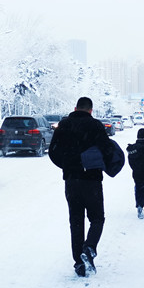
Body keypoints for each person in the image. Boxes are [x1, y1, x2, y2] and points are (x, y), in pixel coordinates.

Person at [49, 96, 114, 278]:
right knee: (97, 218)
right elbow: (107, 150)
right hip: (92, 180)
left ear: (75, 108)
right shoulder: (96, 126)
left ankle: (79, 262)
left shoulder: (64, 125)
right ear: (90, 110)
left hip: (71, 180)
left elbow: (52, 151)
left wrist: (67, 165)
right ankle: (89, 247)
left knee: (76, 221)